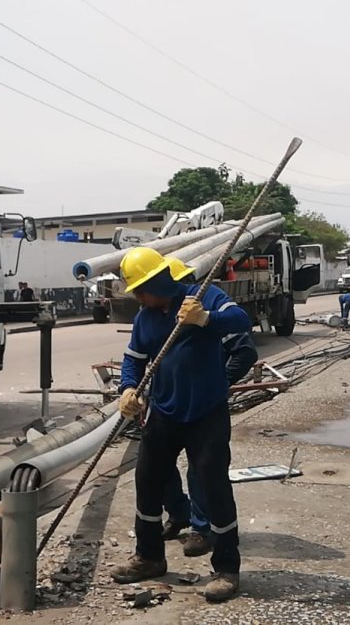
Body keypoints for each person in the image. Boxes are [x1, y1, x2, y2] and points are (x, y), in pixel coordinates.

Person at [112, 247, 251, 602]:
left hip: (207, 412)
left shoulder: (203, 297)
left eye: (142, 289)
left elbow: (240, 322)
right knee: (147, 480)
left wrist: (204, 319)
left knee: (213, 483)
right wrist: (129, 388)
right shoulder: (146, 318)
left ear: (159, 280)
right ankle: (149, 557)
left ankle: (226, 567)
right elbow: (134, 360)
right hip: (165, 412)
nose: (139, 297)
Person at [160, 257, 258, 559]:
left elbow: (244, 352)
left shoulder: (208, 312)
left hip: (202, 407)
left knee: (201, 470)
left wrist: (216, 385)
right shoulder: (162, 313)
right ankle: (179, 513)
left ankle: (203, 529)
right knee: (157, 465)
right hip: (167, 405)